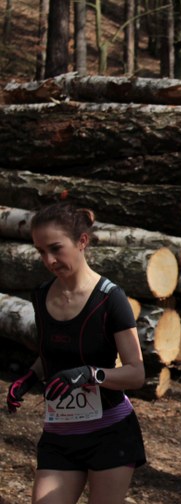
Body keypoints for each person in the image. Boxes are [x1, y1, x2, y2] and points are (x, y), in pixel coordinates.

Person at [5, 202, 146, 503]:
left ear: (82, 241)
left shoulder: (110, 298)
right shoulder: (41, 295)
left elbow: (136, 373)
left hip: (110, 433)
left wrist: (91, 374)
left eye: (56, 248)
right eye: (41, 251)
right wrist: (30, 377)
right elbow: (54, 353)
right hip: (60, 435)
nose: (49, 260)